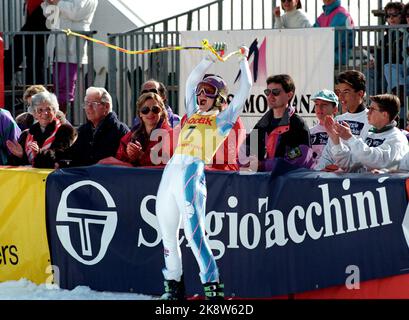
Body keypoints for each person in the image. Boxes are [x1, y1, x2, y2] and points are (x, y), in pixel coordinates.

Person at [155, 44, 252, 300]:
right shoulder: (191, 113)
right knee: (167, 234)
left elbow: (245, 89)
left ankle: (212, 290)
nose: (201, 94)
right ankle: (173, 287)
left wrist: (243, 60)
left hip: (191, 171)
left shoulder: (223, 119)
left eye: (208, 92)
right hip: (171, 171)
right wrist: (207, 59)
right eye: (201, 91)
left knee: (194, 234)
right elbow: (189, 82)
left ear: (219, 97)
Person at [324, 94, 409, 172]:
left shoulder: (397, 138)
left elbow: (377, 161)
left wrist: (350, 138)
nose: (368, 112)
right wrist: (336, 141)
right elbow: (349, 164)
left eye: (372, 109)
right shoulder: (370, 134)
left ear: (384, 115)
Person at [245, 74, 312, 171]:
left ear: (289, 95)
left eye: (276, 92)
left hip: (287, 183)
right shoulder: (262, 124)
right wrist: (248, 161)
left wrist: (265, 165)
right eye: (267, 92)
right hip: (262, 182)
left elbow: (302, 154)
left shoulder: (297, 124)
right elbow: (247, 148)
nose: (270, 96)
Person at [42, 0, 98, 114]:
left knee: (65, 87)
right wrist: (48, 3)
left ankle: (62, 119)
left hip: (73, 46)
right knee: (56, 86)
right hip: (57, 45)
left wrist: (57, 2)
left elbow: (75, 13)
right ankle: (57, 118)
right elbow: (48, 15)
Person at [315, 70, 371, 171]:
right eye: (339, 92)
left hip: (358, 182)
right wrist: (320, 170)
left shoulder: (371, 120)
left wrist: (342, 169)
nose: (340, 97)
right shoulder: (338, 119)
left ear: (360, 94)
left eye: (346, 92)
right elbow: (327, 154)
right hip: (335, 180)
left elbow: (365, 157)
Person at [100, 92, 173, 167]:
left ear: (161, 112)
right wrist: (129, 154)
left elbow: (165, 168)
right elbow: (119, 162)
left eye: (155, 109)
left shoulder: (169, 135)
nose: (150, 113)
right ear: (140, 114)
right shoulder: (131, 136)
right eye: (145, 110)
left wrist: (142, 156)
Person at [6, 91, 76, 168]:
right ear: (34, 114)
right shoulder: (26, 135)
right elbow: (16, 165)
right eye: (40, 110)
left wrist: (39, 152)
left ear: (55, 111)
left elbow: (61, 157)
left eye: (48, 109)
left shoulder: (66, 131)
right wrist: (20, 155)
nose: (45, 113)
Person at [66, 86, 129, 167]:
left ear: (106, 107)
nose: (88, 107)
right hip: (83, 178)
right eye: (86, 103)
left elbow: (126, 163)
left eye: (93, 104)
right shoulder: (82, 131)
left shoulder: (120, 131)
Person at [3, 0, 49, 85]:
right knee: (32, 55)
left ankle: (35, 89)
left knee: (32, 54)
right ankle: (34, 88)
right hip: (37, 12)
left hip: (42, 13)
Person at [313, 0, 354, 66]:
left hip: (338, 57)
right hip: (325, 56)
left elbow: (332, 41)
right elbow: (312, 37)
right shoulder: (321, 17)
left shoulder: (341, 15)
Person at [309, 89, 339, 169]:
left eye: (324, 104)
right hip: (313, 176)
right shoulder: (309, 132)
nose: (319, 108)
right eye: (316, 104)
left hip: (335, 177)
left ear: (335, 109)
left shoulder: (342, 131)